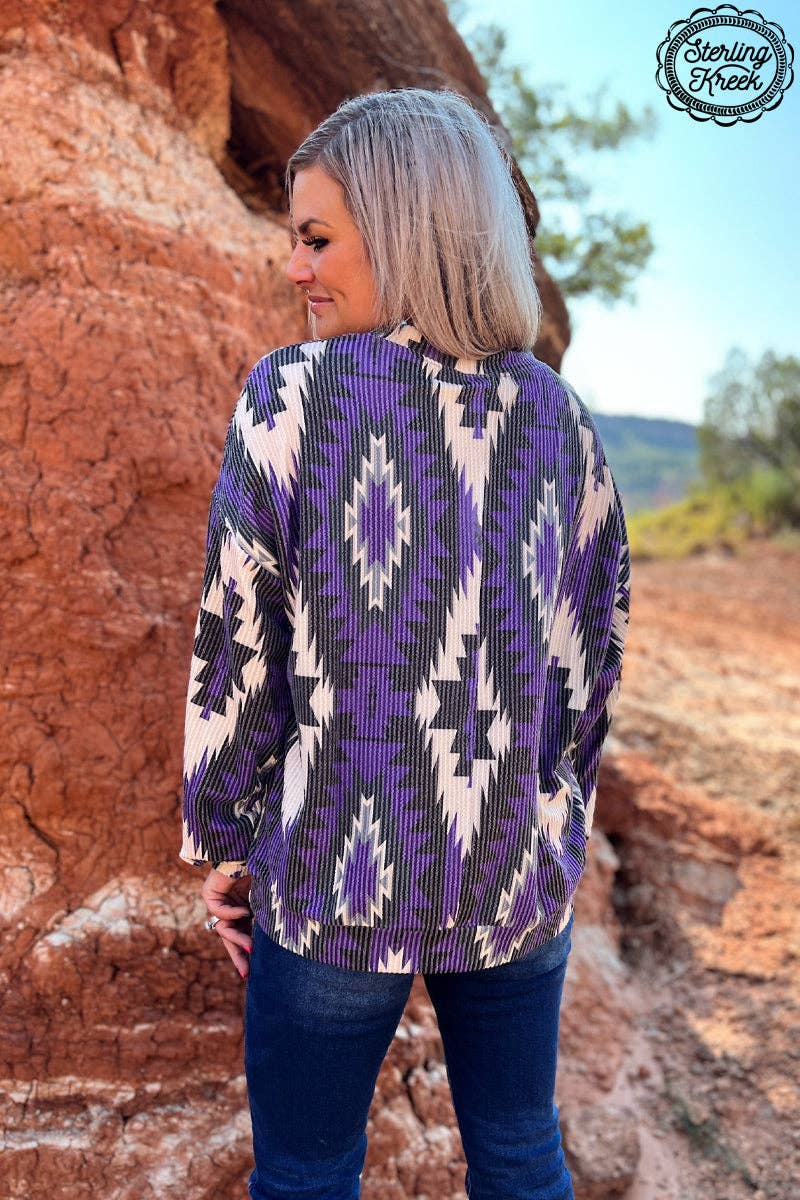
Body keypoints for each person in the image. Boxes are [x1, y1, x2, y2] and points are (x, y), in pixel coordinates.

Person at [179, 86, 630, 1200]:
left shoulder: (291, 396)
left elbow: (239, 642)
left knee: (305, 1175)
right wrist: (548, 817)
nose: (295, 267)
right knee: (521, 1157)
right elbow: (592, 655)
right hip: (512, 871)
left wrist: (227, 840)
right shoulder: (560, 417)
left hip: (338, 867)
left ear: (406, 230)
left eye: (317, 238)